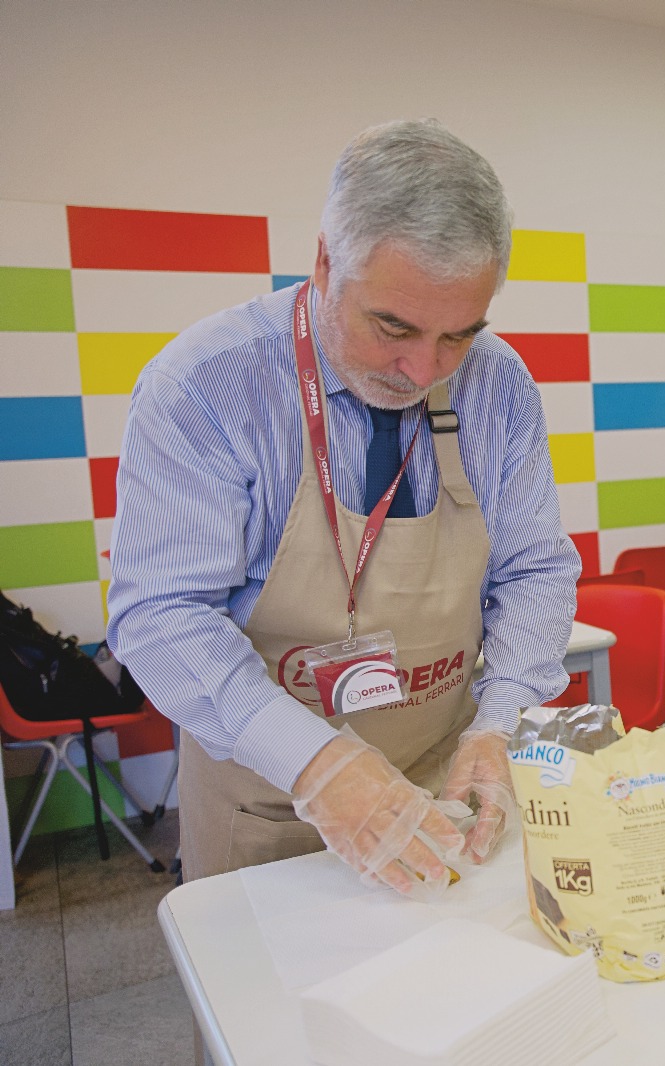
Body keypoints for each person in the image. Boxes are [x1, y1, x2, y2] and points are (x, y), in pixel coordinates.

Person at [107, 120, 581, 898]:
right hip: (265, 797)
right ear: (326, 261)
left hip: (442, 780)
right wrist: (320, 764)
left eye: (457, 335)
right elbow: (159, 613)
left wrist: (498, 725)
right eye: (392, 326)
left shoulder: (498, 384)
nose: (423, 368)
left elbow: (534, 569)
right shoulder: (205, 385)